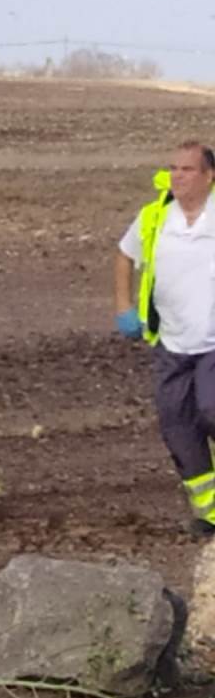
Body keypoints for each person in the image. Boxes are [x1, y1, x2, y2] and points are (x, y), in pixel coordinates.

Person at [116, 141, 215, 537]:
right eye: (172, 168)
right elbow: (124, 256)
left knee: (211, 408)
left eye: (187, 169)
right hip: (172, 344)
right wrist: (124, 307)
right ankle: (210, 514)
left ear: (209, 176)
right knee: (177, 427)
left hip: (212, 342)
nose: (177, 175)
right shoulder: (155, 217)